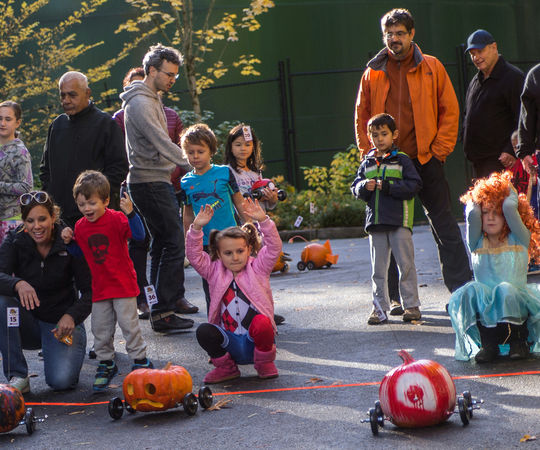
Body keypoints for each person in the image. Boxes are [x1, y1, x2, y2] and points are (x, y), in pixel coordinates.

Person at [354, 8, 472, 298]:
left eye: (400, 34)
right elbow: (361, 114)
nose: (394, 39)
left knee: (444, 224)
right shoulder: (373, 72)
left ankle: (462, 291)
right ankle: (396, 299)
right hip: (387, 163)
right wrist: (370, 153)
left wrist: (438, 151)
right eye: (389, 34)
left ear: (412, 34)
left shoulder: (432, 67)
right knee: (390, 229)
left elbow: (450, 111)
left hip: (424, 160)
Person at [120, 44, 194, 333]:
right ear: (151, 70)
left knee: (163, 243)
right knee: (175, 241)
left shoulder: (150, 98)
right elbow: (160, 142)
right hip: (149, 181)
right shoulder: (140, 102)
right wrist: (192, 164)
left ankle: (159, 308)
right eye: (169, 74)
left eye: (176, 75)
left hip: (153, 179)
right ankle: (164, 309)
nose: (172, 79)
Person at [61, 171, 153, 391]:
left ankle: (139, 360)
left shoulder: (117, 218)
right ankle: (106, 362)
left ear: (105, 201)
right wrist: (67, 241)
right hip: (100, 288)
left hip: (123, 285)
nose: (87, 208)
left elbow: (140, 237)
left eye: (92, 203)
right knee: (100, 329)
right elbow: (80, 252)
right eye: (82, 204)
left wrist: (131, 214)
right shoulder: (81, 227)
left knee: (129, 326)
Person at [0, 191, 91, 393]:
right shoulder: (15, 240)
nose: (37, 226)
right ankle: (18, 376)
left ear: (53, 217)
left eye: (42, 219)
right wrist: (17, 284)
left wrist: (72, 316)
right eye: (30, 221)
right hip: (28, 323)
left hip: (60, 325)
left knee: (61, 381)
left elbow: (89, 291)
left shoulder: (69, 243)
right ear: (24, 223)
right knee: (2, 302)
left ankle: (63, 349)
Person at [448, 172, 540, 363]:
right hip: (487, 307)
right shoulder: (477, 242)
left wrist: (506, 189)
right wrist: (479, 195)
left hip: (516, 301)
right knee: (471, 290)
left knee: (505, 290)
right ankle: (488, 345)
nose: (490, 218)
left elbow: (509, 206)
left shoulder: (518, 238)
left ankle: (518, 341)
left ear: (507, 216)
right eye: (486, 212)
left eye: (496, 213)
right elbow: (472, 213)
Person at [186, 199, 281, 383]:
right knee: (204, 331)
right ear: (219, 254)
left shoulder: (258, 268)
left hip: (254, 342)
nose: (235, 257)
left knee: (263, 322)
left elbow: (274, 248)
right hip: (229, 341)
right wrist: (196, 228)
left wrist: (264, 221)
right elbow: (194, 256)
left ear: (249, 250)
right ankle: (226, 368)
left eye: (240, 251)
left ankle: (264, 364)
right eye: (228, 253)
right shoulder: (213, 271)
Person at [351, 113, 422, 324]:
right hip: (376, 223)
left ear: (394, 135)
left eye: (384, 134)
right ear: (369, 136)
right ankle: (379, 309)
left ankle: (411, 306)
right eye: (375, 135)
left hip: (400, 221)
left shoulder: (402, 160)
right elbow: (355, 186)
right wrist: (364, 186)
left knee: (405, 265)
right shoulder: (367, 162)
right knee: (378, 270)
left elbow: (414, 185)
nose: (379, 139)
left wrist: (388, 186)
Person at [39, 71, 128, 228]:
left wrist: (96, 200)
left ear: (87, 93)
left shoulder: (106, 124)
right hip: (61, 218)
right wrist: (50, 197)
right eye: (63, 95)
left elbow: (119, 167)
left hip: (95, 217)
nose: (66, 100)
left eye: (72, 95)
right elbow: (45, 169)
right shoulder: (56, 125)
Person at [180, 123, 246, 311]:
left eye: (200, 151)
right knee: (211, 282)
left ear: (211, 151)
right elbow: (187, 214)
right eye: (190, 152)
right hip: (205, 242)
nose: (195, 156)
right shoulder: (185, 182)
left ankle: (249, 313)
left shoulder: (224, 173)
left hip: (231, 236)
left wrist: (249, 226)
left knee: (240, 277)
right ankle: (216, 320)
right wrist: (189, 241)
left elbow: (238, 201)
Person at [224, 124, 285, 325]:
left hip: (259, 229)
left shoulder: (256, 173)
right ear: (230, 147)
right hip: (240, 230)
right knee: (243, 273)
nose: (243, 148)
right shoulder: (228, 172)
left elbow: (270, 204)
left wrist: (272, 197)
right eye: (238, 144)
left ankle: (263, 309)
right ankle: (246, 312)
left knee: (260, 273)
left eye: (248, 144)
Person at [462, 29, 525, 178]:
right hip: (478, 162)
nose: (476, 57)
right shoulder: (476, 80)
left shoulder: (513, 78)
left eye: (480, 51)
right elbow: (467, 115)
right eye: (472, 54)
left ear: (494, 47)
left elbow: (524, 118)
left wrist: (511, 150)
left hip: (501, 163)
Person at [0, 101, 33, 243]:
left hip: (10, 221)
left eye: (8, 119)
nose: (2, 123)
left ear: (17, 122)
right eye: (0, 118)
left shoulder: (20, 151)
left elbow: (26, 187)